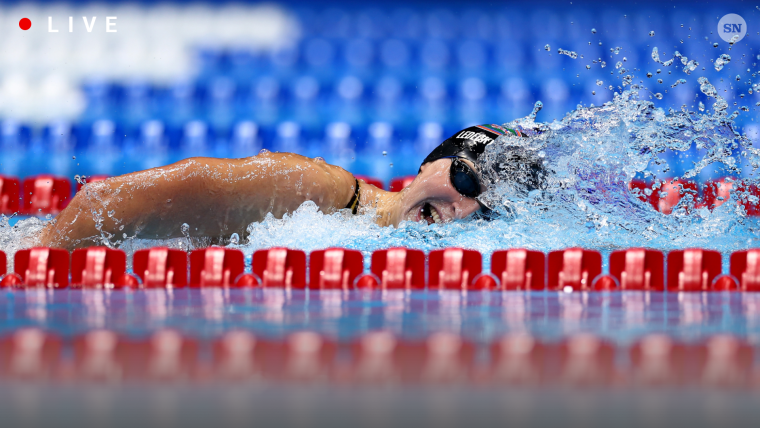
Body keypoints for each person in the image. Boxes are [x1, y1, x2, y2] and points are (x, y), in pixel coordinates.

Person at [38, 124, 529, 250]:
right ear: (427, 165)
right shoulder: (314, 189)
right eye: (465, 178)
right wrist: (38, 266)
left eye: (485, 209)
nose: (461, 208)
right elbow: (103, 203)